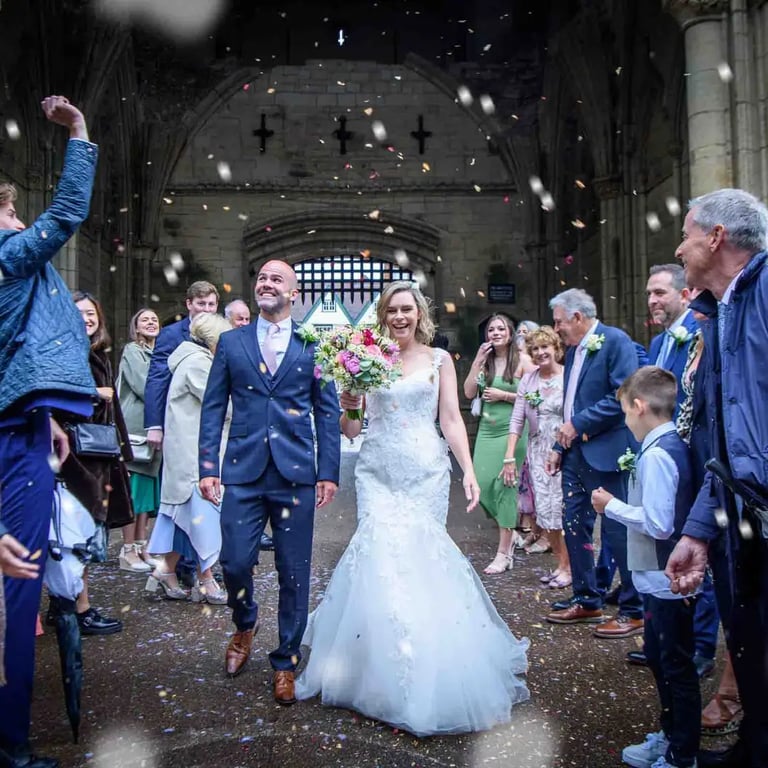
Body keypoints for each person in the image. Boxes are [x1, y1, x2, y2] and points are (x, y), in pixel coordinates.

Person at [295, 281, 529, 735]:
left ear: (420, 313)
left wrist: (466, 468)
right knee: (379, 558)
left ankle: (426, 662)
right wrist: (351, 403)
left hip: (424, 470)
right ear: (382, 315)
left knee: (422, 558)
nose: (400, 317)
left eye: (407, 309)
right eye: (392, 310)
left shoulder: (439, 360)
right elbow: (350, 428)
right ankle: (379, 668)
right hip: (377, 471)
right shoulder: (365, 356)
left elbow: (450, 418)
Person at [0, 96, 96, 768]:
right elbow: (65, 213)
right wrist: (80, 134)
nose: (17, 223)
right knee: (17, 580)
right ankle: (10, 738)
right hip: (11, 440)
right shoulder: (8, 259)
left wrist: (50, 414)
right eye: (7, 214)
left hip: (23, 420)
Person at [198, 259, 341, 705]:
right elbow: (212, 406)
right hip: (242, 469)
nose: (266, 283)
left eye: (277, 278)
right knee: (235, 561)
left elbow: (328, 411)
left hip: (295, 472)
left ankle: (285, 661)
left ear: (294, 293)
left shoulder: (312, 344)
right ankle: (245, 623)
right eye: (261, 277)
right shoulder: (231, 342)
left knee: (293, 572)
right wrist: (208, 466)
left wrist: (328, 472)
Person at [666, 188, 768, 768]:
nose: (679, 248)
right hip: (738, 514)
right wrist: (699, 532)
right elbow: (723, 445)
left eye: (686, 234)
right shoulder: (715, 313)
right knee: (749, 643)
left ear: (716, 237)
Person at [592, 366, 700, 768]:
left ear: (638, 406)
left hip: (666, 579)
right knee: (659, 657)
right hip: (658, 580)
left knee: (675, 666)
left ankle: (682, 752)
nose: (624, 420)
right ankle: (670, 736)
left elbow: (658, 523)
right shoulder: (667, 445)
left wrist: (611, 507)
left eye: (624, 411)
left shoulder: (657, 455)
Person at [544, 288, 643, 636]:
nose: (556, 329)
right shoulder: (573, 351)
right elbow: (571, 402)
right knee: (574, 525)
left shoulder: (615, 341)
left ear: (577, 317)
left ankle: (633, 609)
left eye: (559, 322)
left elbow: (622, 396)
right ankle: (587, 599)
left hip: (608, 451)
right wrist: (560, 443)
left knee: (618, 531)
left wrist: (577, 425)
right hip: (574, 453)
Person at [57, 291, 132, 636]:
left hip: (96, 456)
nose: (87, 319)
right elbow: (50, 395)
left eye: (91, 314)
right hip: (72, 457)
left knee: (82, 534)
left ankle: (68, 604)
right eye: (79, 314)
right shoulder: (62, 350)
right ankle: (76, 609)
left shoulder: (96, 354)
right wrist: (92, 393)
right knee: (74, 536)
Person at [145, 312, 232, 603]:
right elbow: (218, 402)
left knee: (180, 516)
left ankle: (165, 570)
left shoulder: (193, 358)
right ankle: (205, 579)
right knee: (202, 515)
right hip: (192, 454)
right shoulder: (197, 362)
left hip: (189, 449)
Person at [463, 314, 534, 573]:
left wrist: (505, 395)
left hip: (512, 430)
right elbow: (469, 392)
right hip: (486, 431)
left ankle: (504, 553)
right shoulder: (486, 362)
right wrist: (477, 364)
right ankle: (511, 532)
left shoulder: (523, 361)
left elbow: (537, 397)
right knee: (480, 484)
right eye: (491, 329)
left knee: (506, 486)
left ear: (510, 332)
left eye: (500, 328)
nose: (495, 332)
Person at [503, 326, 571, 588]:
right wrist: (509, 455)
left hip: (564, 449)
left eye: (546, 347)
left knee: (562, 509)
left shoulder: (568, 377)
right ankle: (561, 564)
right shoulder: (528, 381)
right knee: (544, 511)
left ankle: (571, 566)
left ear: (556, 348)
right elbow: (517, 419)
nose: (541, 352)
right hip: (537, 450)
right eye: (535, 349)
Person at [117, 308, 162, 573]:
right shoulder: (133, 351)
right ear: (136, 326)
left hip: (153, 428)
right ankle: (127, 550)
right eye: (145, 319)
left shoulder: (160, 353)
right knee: (132, 491)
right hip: (136, 428)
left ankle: (143, 546)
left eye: (154, 319)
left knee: (146, 490)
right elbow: (144, 386)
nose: (151, 322)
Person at [646, 264, 698, 417]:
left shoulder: (699, 333)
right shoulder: (657, 343)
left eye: (659, 293)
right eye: (649, 294)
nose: (651, 301)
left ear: (684, 295)